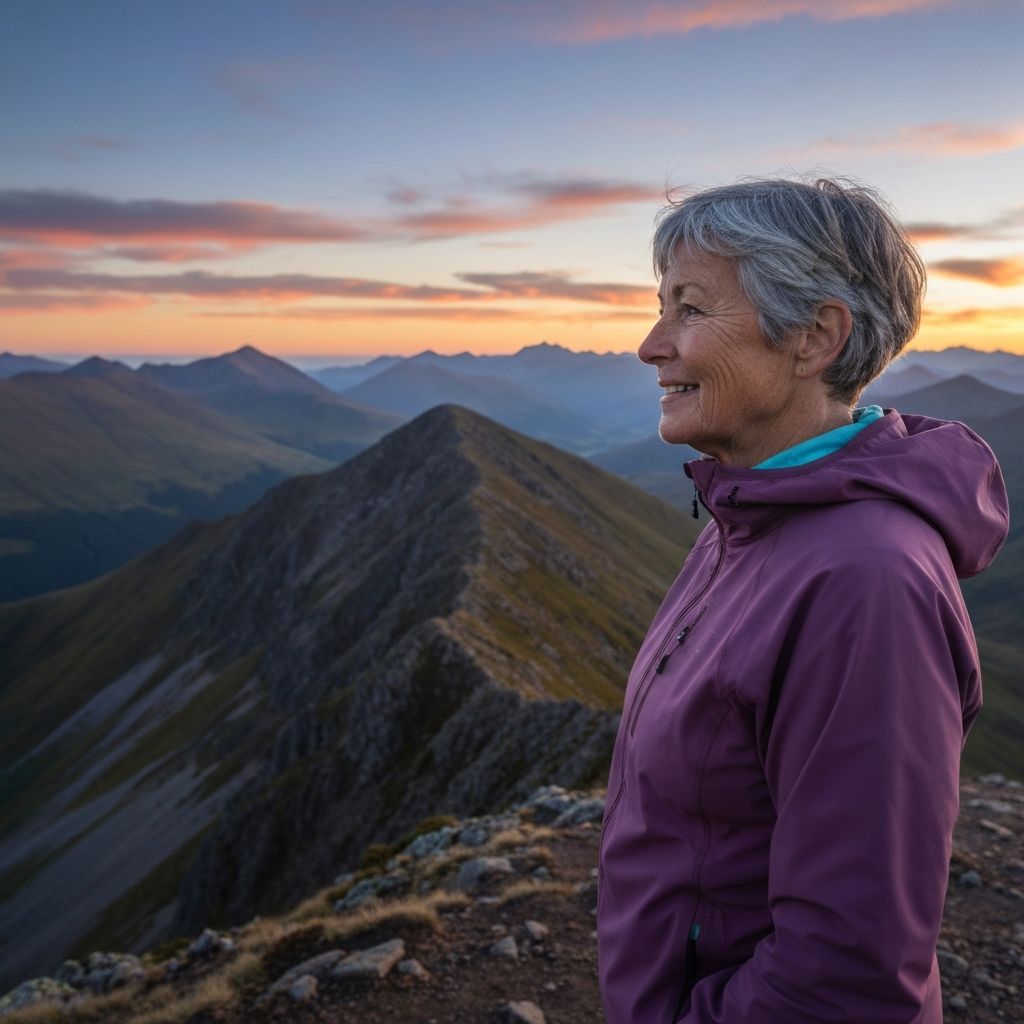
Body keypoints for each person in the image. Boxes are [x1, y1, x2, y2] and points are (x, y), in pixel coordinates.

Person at [596, 178, 1008, 1023]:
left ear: (815, 337)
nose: (650, 344)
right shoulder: (745, 515)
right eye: (659, 306)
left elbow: (848, 977)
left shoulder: (866, 583)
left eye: (690, 309)